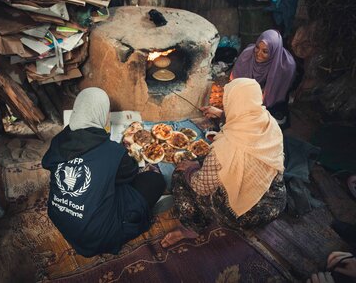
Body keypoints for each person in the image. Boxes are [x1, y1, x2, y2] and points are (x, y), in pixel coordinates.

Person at [161, 78, 287, 247]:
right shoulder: (269, 123)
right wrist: (221, 114)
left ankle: (192, 226)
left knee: (180, 173)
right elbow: (243, 122)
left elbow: (201, 187)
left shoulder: (223, 148)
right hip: (273, 203)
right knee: (206, 162)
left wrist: (190, 170)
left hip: (242, 215)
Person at [42, 87, 166, 257]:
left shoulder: (58, 141)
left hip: (62, 220)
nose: (108, 116)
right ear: (100, 114)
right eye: (107, 112)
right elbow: (130, 173)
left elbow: (51, 163)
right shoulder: (112, 151)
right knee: (155, 181)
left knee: (106, 181)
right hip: (99, 235)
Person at [230, 29, 296, 124]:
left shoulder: (286, 67)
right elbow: (235, 82)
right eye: (257, 47)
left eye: (265, 51)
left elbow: (277, 93)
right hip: (247, 97)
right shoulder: (247, 56)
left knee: (269, 124)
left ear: (274, 51)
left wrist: (259, 100)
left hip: (272, 102)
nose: (258, 53)